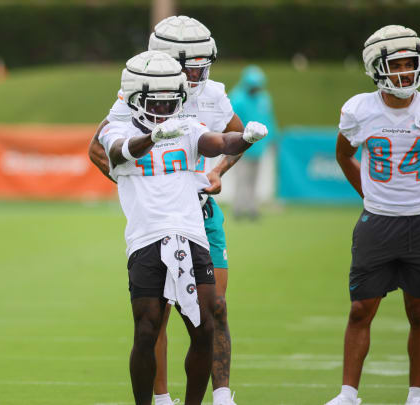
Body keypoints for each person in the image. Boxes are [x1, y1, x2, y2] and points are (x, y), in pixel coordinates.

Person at [88, 15, 244, 405]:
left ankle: (222, 396)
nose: (200, 74)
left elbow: (235, 138)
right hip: (156, 221)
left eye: (203, 65)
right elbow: (97, 148)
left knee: (215, 309)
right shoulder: (133, 96)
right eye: (192, 66)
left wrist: (217, 172)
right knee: (155, 316)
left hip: (202, 213)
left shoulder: (213, 93)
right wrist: (143, 187)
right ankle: (160, 397)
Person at [326, 25, 420, 405]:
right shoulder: (359, 110)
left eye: (409, 64)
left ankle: (416, 395)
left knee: (419, 311)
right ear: (376, 67)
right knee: (360, 310)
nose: (404, 72)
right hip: (377, 223)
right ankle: (348, 393)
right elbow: (343, 154)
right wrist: (369, 194)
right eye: (395, 64)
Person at [228, 65, 278, 220]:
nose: (256, 89)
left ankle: (251, 208)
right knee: (242, 179)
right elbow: (229, 121)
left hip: (259, 147)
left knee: (254, 180)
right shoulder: (237, 98)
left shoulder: (264, 99)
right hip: (240, 147)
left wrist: (273, 137)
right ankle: (238, 209)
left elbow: (269, 120)